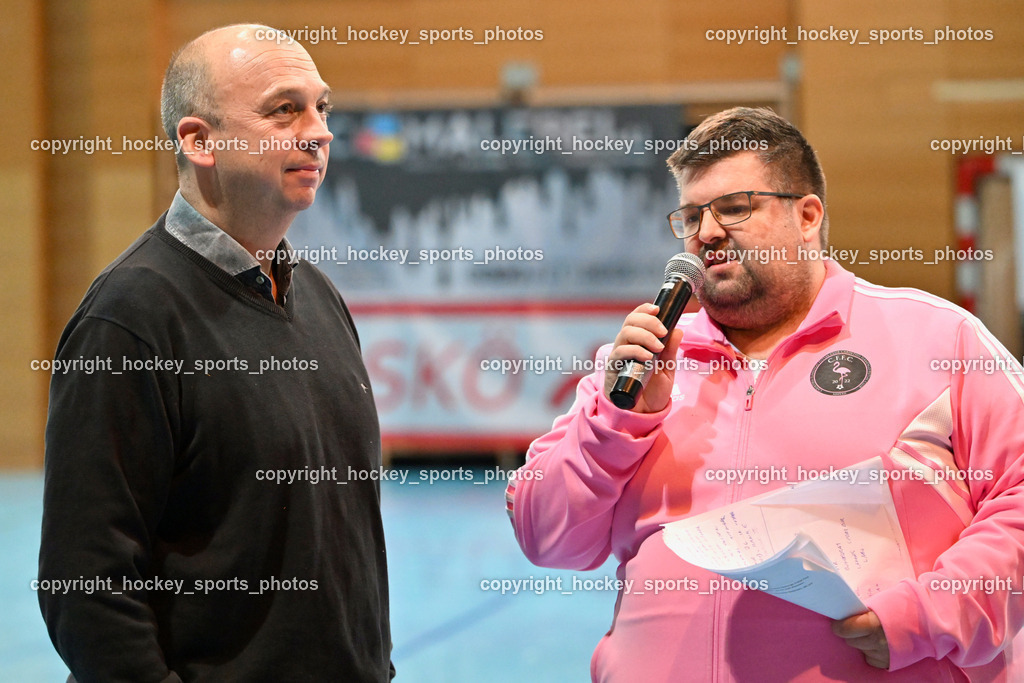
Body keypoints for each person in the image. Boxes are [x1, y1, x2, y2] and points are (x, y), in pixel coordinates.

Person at [506, 107, 1024, 681]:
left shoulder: (935, 338)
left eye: (733, 208)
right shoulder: (639, 368)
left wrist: (931, 614)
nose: (706, 233)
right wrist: (616, 422)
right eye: (691, 215)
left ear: (807, 217)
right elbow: (546, 539)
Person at [38, 24, 393, 682]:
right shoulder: (128, 321)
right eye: (285, 109)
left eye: (323, 107)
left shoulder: (319, 297)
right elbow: (84, 589)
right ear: (199, 141)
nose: (319, 131)